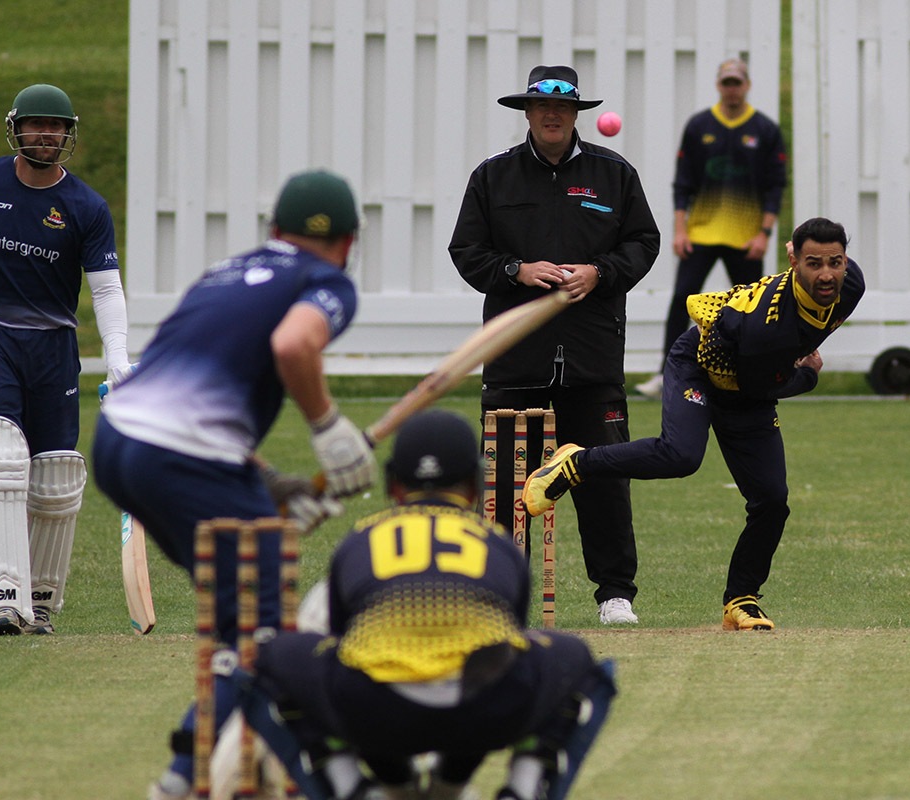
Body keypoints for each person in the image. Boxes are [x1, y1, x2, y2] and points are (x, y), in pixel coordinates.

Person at [92, 169, 377, 799]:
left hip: (114, 439)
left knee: (240, 613)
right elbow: (293, 345)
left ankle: (237, 760)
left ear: (274, 229)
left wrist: (267, 482)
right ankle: (187, 777)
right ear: (350, 242)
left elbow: (185, 381)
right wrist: (329, 429)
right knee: (263, 627)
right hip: (182, 455)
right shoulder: (325, 279)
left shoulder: (224, 272)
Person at [236, 409, 617, 800]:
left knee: (273, 658)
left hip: (374, 711)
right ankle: (519, 787)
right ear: (475, 484)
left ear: (393, 484)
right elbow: (509, 646)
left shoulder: (361, 537)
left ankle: (354, 787)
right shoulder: (497, 540)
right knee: (574, 659)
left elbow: (341, 642)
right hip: (483, 711)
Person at [525, 217, 865, 632]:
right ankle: (575, 463)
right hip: (702, 367)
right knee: (681, 455)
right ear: (794, 262)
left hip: (750, 379)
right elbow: (763, 386)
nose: (827, 275)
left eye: (835, 262)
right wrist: (808, 375)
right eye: (814, 263)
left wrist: (798, 353)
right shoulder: (768, 326)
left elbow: (765, 376)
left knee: (772, 500)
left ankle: (741, 599)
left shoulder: (852, 285)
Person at [449, 64, 660, 625]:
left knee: (603, 476)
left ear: (575, 114)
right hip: (516, 354)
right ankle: (500, 592)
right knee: (505, 482)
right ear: (526, 112)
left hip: (593, 357)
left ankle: (615, 595)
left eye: (563, 108)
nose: (552, 115)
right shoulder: (493, 176)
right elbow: (466, 251)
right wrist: (516, 270)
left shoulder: (614, 173)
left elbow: (644, 242)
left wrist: (601, 272)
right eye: (542, 106)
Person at [0, 83, 135, 635]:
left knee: (56, 474)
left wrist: (118, 359)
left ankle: (38, 602)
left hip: (53, 348)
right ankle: (1, 600)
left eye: (56, 126)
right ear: (16, 128)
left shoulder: (86, 206)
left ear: (68, 133)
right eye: (36, 124)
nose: (46, 133)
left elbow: (106, 290)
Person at [635, 57, 788, 400]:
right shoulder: (699, 125)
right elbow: (683, 183)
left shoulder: (764, 129)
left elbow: (775, 186)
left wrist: (763, 234)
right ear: (719, 85)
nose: (732, 89)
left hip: (745, 238)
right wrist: (680, 230)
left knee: (752, 310)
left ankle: (755, 375)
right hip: (701, 233)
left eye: (737, 83)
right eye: (726, 83)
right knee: (682, 300)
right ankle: (665, 374)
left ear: (747, 85)